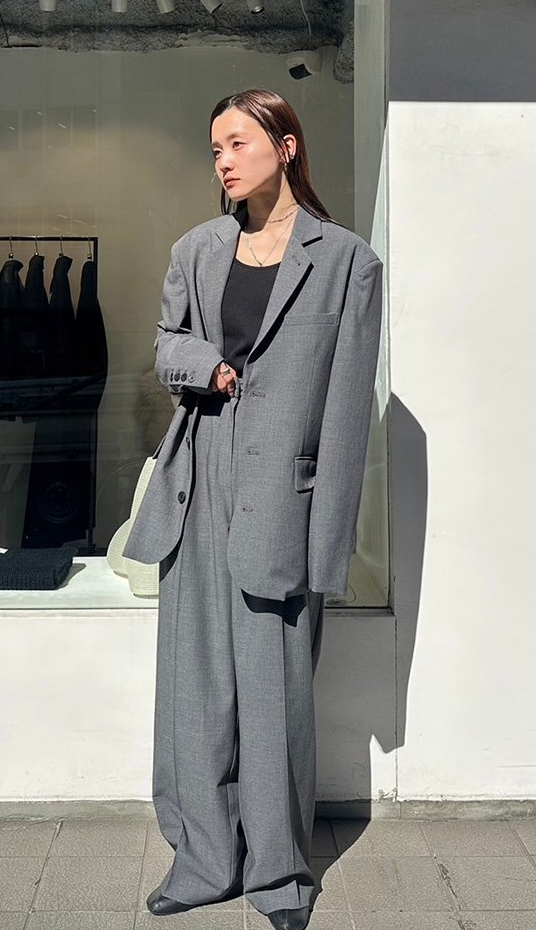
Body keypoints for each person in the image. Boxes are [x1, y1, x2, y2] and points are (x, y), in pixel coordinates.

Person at [123, 88, 384, 930]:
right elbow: (166, 343)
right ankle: (204, 859)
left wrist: (327, 543)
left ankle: (278, 873)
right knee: (196, 689)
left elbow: (347, 415)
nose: (223, 161)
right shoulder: (197, 250)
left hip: (283, 500)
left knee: (273, 697)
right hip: (197, 485)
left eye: (237, 143)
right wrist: (204, 365)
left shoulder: (346, 262)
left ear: (286, 145)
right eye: (215, 149)